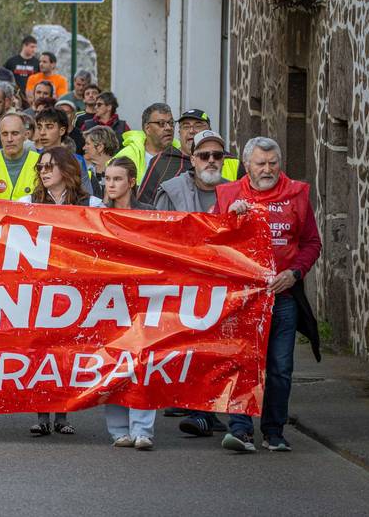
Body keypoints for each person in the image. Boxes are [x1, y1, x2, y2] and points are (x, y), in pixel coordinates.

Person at [218, 136, 322, 454]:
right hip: (244, 298)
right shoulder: (227, 195)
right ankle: (240, 429)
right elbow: (214, 242)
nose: (267, 169)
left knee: (279, 367)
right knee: (243, 363)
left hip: (283, 298)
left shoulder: (297, 194)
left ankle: (274, 431)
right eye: (260, 163)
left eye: (273, 163)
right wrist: (229, 220)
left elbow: (312, 243)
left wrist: (295, 273)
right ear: (246, 166)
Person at [18, 146, 103, 437]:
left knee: (68, 352)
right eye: (40, 167)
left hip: (76, 289)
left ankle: (63, 413)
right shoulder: (26, 202)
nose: (43, 171)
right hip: (39, 289)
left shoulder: (91, 203)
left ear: (66, 170)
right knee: (41, 350)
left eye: (50, 166)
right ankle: (41, 414)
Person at [155, 129, 233, 434]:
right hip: (183, 283)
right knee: (190, 347)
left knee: (215, 349)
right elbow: (157, 237)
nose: (211, 161)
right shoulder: (172, 191)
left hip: (223, 286)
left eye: (217, 156)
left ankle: (207, 409)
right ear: (192, 158)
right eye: (204, 155)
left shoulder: (234, 191)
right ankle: (195, 407)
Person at [100, 156, 156, 449]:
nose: (111, 185)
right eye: (107, 179)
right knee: (114, 363)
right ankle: (119, 429)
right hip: (107, 299)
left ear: (131, 181)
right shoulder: (95, 213)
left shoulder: (148, 213)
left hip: (143, 297)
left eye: (117, 179)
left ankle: (143, 429)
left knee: (144, 361)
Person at [114, 103, 186, 204]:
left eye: (171, 123)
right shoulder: (126, 157)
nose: (169, 128)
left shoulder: (183, 156)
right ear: (147, 128)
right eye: (161, 123)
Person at [0, 113, 39, 200]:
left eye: (15, 133)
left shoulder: (40, 163)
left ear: (25, 135)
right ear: (0, 136)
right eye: (5, 134)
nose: (9, 139)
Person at [81, 125, 120, 202]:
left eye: (87, 144)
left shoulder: (120, 170)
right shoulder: (85, 172)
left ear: (100, 147)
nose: (84, 148)